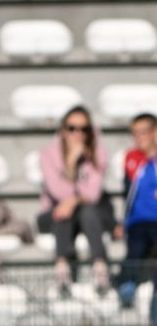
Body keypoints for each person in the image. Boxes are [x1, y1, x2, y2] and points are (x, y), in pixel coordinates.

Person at [38, 106, 112, 296]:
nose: (78, 134)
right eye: (72, 128)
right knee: (64, 213)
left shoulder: (97, 153)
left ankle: (100, 267)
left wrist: (73, 200)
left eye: (84, 129)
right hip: (53, 215)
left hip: (88, 215)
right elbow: (58, 193)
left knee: (86, 210)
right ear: (63, 130)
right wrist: (70, 163)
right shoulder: (48, 154)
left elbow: (93, 194)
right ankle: (62, 268)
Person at [116, 114, 157, 326]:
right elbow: (128, 192)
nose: (139, 138)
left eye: (144, 132)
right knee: (135, 249)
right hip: (138, 222)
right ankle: (126, 284)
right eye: (135, 133)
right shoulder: (133, 159)